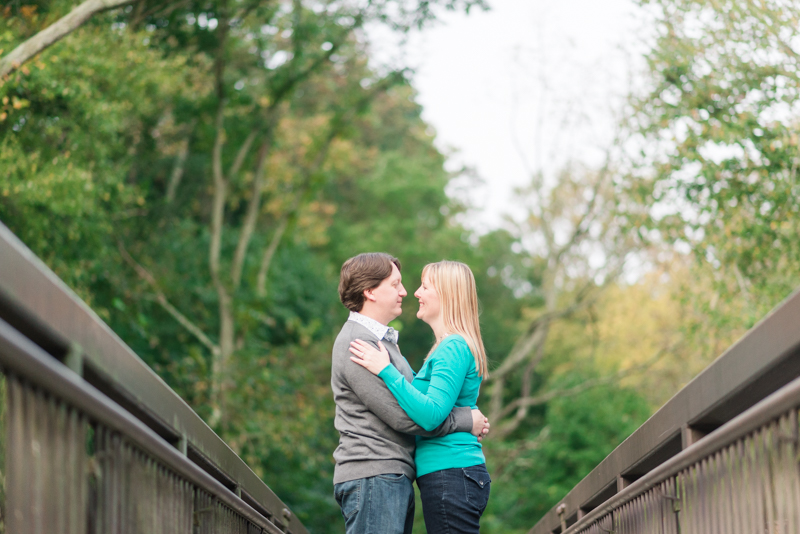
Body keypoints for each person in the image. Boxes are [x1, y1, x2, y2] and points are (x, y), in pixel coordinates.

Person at [331, 253, 490, 534]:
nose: (407, 292)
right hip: (373, 473)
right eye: (396, 284)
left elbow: (420, 406)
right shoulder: (359, 343)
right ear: (370, 292)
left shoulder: (384, 344)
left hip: (392, 474)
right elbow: (406, 418)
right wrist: (467, 420)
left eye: (422, 286)